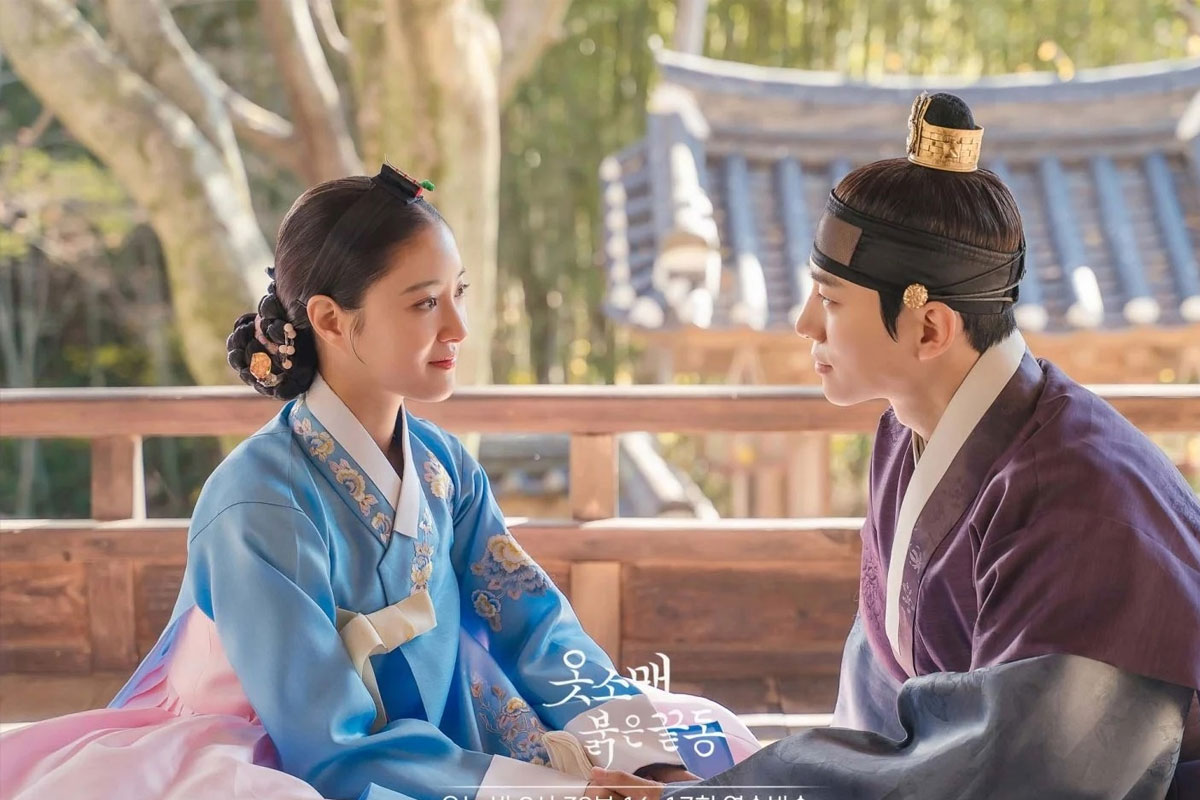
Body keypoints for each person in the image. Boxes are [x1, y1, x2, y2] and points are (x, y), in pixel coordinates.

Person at [0, 165, 759, 800]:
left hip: (442, 725)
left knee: (707, 747)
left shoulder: (442, 465)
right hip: (290, 750)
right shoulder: (256, 504)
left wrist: (637, 758)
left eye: (459, 292)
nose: (458, 328)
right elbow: (325, 741)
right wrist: (560, 791)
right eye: (425, 303)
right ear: (331, 319)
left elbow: (533, 625)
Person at [592, 93, 1200, 800]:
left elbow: (1022, 775)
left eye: (830, 301)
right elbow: (882, 717)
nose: (803, 324)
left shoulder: (1080, 502)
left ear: (930, 329)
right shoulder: (908, 432)